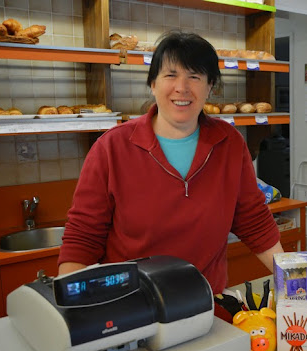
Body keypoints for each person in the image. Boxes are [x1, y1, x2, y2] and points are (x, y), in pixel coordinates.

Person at [58, 31, 283, 295]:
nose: (182, 87)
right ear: (152, 83)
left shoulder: (229, 143)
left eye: (195, 77)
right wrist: (69, 306)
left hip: (204, 304)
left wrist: (293, 281)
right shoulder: (112, 147)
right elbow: (83, 236)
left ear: (210, 86)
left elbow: (253, 221)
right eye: (170, 75)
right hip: (132, 306)